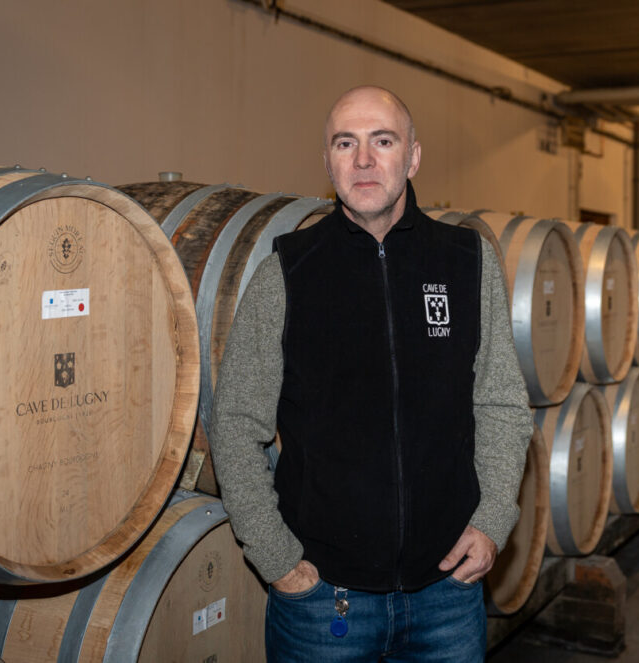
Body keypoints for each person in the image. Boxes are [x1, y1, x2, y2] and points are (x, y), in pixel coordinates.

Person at [210, 85, 532, 662]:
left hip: (447, 595)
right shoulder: (286, 272)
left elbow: (501, 405)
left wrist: (492, 522)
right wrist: (277, 559)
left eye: (382, 141)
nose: (363, 160)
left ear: (412, 158)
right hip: (322, 602)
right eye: (345, 143)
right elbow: (235, 422)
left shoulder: (467, 262)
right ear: (327, 161)